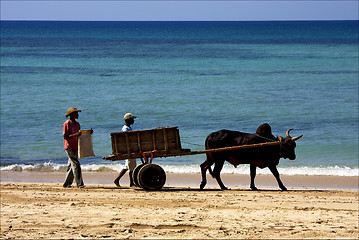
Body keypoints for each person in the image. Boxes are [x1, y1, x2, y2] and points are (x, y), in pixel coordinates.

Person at [63, 107, 88, 188]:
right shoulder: (67, 123)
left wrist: (88, 133)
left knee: (72, 165)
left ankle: (67, 184)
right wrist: (75, 135)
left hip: (75, 146)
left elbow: (80, 135)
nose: (78, 114)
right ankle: (79, 183)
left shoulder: (77, 124)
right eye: (76, 113)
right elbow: (65, 136)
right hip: (69, 146)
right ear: (72, 114)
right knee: (76, 164)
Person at [114, 113, 137, 187]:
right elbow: (126, 140)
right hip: (129, 149)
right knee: (131, 167)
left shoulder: (128, 128)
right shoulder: (125, 129)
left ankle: (117, 180)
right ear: (128, 120)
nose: (133, 120)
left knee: (127, 167)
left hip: (130, 149)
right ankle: (131, 183)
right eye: (132, 119)